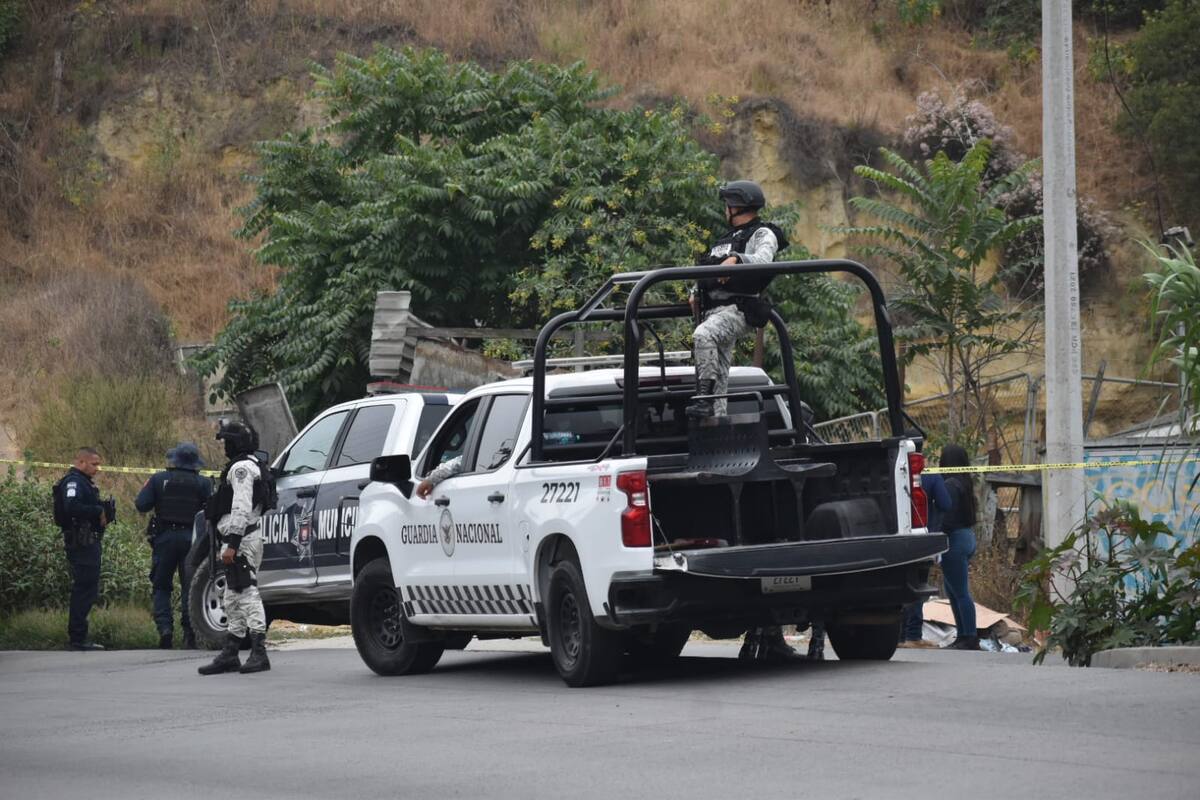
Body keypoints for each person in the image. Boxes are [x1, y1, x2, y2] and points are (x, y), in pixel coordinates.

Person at [687, 180, 790, 419]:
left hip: (738, 310)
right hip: (712, 311)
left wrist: (736, 259)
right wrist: (694, 291)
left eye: (727, 205)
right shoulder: (723, 239)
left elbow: (765, 259)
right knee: (720, 382)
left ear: (737, 207)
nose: (725, 210)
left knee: (704, 335)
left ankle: (703, 399)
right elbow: (709, 270)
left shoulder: (762, 233)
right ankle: (715, 422)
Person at [198, 420, 271, 675]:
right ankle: (230, 653)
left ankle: (259, 652)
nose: (225, 446)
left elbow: (240, 506)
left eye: (228, 441)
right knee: (232, 596)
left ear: (237, 443)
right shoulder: (251, 464)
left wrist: (232, 543)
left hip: (241, 540)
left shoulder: (241, 468)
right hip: (241, 539)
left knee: (247, 594)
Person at [135, 442, 212, 650]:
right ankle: (190, 635)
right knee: (190, 586)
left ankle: (165, 630)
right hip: (192, 540)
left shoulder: (158, 479)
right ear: (195, 463)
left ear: (174, 460)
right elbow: (212, 511)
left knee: (161, 586)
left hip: (165, 538)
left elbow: (141, 504)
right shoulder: (204, 483)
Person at [55, 447, 114, 651]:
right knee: (84, 589)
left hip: (87, 540)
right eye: (94, 464)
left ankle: (78, 636)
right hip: (81, 542)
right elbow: (71, 507)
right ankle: (77, 638)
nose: (98, 468)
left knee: (87, 588)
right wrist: (97, 510)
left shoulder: (84, 482)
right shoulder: (74, 482)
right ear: (81, 462)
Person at [899, 464, 953, 647]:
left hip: (894, 537)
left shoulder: (891, 469)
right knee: (918, 584)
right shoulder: (929, 476)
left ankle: (898, 636)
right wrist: (935, 521)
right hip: (921, 534)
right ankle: (913, 635)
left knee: (899, 584)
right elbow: (946, 503)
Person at [939, 444, 981, 650]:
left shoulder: (949, 484)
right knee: (954, 590)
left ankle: (969, 636)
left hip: (954, 539)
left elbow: (947, 513)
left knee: (960, 592)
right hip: (967, 536)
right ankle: (963, 635)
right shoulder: (965, 483)